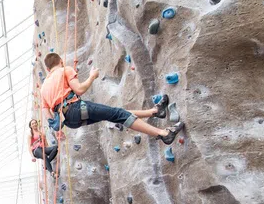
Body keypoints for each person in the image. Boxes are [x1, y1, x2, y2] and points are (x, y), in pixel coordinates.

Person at [40, 53, 184, 143]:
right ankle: (164, 133)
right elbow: (80, 89)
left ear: (47, 69)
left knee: (115, 114)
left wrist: (57, 129)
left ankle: (155, 111)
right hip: (75, 108)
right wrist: (92, 77)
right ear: (61, 62)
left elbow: (47, 114)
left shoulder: (43, 88)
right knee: (118, 114)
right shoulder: (65, 70)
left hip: (70, 122)